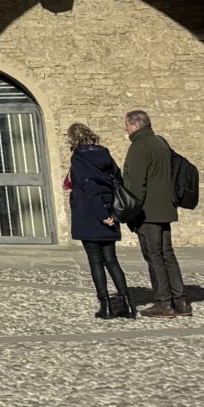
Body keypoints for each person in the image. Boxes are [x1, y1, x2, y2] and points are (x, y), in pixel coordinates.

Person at [121, 109, 189, 319]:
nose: (125, 129)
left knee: (154, 256)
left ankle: (164, 303)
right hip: (165, 208)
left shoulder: (139, 147)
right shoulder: (160, 143)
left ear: (134, 125)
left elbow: (136, 184)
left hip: (148, 212)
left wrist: (129, 211)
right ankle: (181, 302)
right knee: (167, 254)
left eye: (126, 125)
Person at [61, 122, 133, 319]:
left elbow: (89, 187)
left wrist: (103, 215)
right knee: (111, 260)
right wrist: (110, 210)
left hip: (91, 214)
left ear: (73, 139)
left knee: (95, 261)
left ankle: (106, 306)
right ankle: (127, 304)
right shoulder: (104, 153)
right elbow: (117, 178)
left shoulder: (79, 158)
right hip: (110, 208)